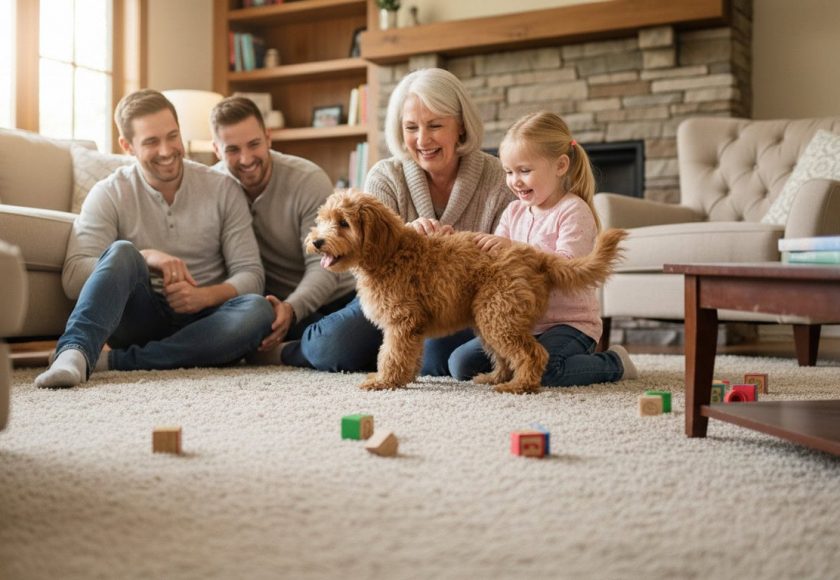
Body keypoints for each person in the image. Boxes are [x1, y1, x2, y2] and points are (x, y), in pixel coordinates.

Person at [34, 90, 274, 389]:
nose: (166, 150)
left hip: (207, 321)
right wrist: (144, 257)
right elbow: (73, 276)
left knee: (259, 310)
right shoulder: (109, 192)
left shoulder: (223, 188)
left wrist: (205, 296)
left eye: (172, 136)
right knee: (123, 251)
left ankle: (117, 361)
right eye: (151, 142)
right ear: (127, 146)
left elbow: (251, 274)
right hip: (140, 317)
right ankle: (73, 353)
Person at [282, 67, 515, 373]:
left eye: (434, 125)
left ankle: (382, 359)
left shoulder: (498, 177)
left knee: (436, 360)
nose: (422, 139)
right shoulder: (385, 176)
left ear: (460, 126)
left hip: (460, 300)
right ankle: (292, 349)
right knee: (331, 347)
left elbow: (509, 252)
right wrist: (402, 236)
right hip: (388, 293)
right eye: (411, 127)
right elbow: (359, 262)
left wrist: (452, 250)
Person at [447, 111, 638, 386]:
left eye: (525, 171)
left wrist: (515, 248)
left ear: (560, 166)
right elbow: (493, 263)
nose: (515, 181)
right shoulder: (513, 212)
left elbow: (567, 267)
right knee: (460, 364)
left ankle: (614, 363)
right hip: (519, 325)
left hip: (569, 324)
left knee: (545, 371)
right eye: (509, 172)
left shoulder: (573, 210)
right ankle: (521, 362)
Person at [210, 96, 355, 361]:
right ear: (216, 150)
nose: (246, 158)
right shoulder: (214, 187)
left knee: (338, 346)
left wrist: (292, 307)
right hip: (276, 307)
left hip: (337, 296)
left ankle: (286, 352)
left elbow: (324, 265)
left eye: (254, 144)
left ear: (268, 137)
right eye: (232, 149)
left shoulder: (306, 180)